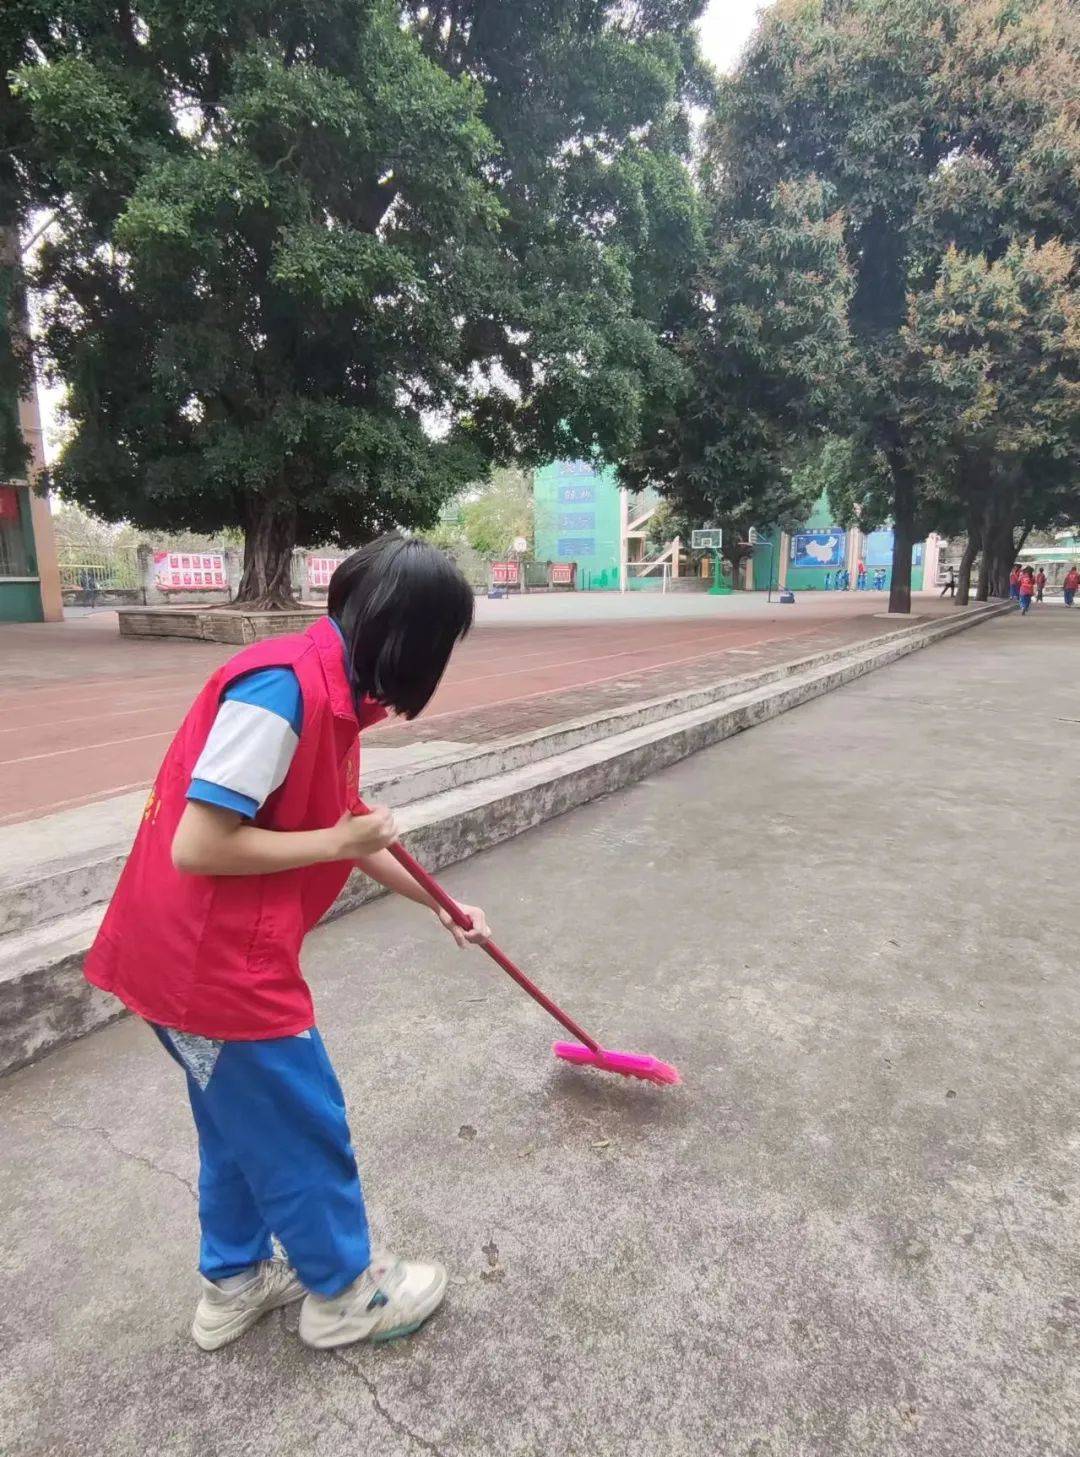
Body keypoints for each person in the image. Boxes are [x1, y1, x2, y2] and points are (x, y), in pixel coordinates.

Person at [83, 535, 489, 1353]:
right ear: (412, 636)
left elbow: (342, 825)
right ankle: (344, 1294)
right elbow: (200, 845)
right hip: (216, 969)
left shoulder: (329, 684)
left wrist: (439, 903)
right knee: (303, 1122)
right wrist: (337, 846)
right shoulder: (281, 693)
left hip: (182, 962)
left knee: (241, 1122)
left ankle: (231, 1282)